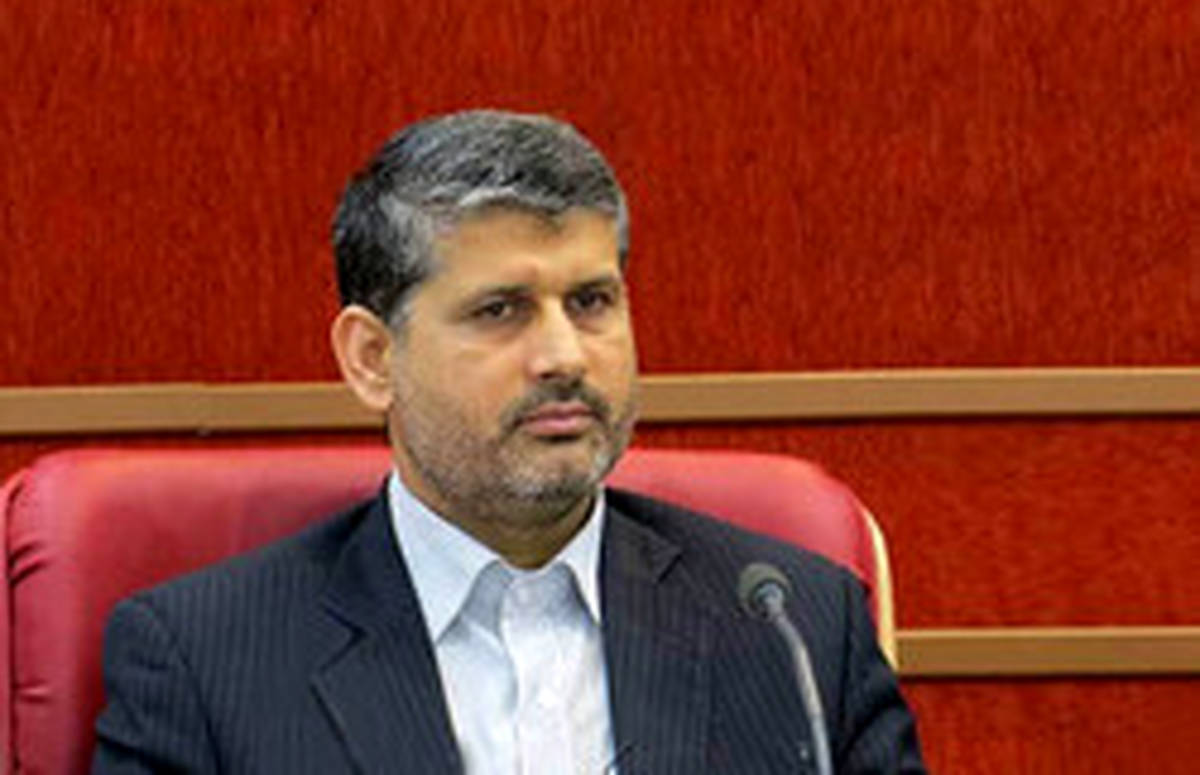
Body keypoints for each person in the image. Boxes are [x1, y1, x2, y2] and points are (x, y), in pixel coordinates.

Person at [92, 110, 925, 773]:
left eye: (591, 302)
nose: (564, 355)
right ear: (372, 358)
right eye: (500, 310)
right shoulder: (202, 660)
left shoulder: (795, 628)